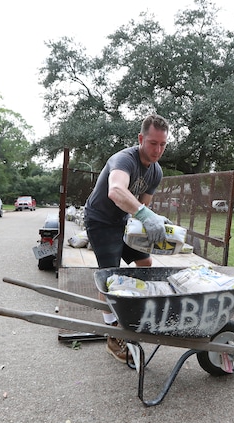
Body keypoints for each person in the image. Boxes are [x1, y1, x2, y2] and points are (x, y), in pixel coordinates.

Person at [83, 114, 170, 364]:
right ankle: (112, 335)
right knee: (109, 276)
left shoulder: (156, 172)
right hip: (100, 220)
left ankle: (133, 311)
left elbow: (143, 206)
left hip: (124, 222)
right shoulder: (124, 160)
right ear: (141, 138)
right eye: (153, 143)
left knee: (145, 264)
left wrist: (153, 220)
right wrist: (145, 214)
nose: (158, 150)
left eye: (163, 144)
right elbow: (116, 191)